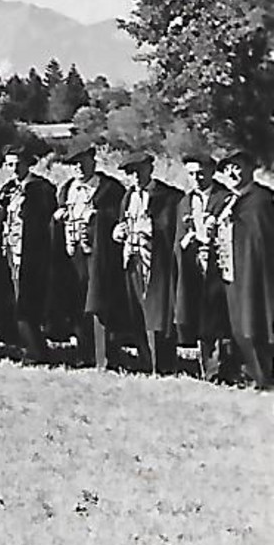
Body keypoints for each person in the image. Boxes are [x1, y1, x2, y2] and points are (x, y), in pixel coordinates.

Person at [54, 140, 125, 368]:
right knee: (76, 301)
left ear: (92, 161)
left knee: (100, 303)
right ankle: (83, 352)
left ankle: (106, 356)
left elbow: (118, 217)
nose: (79, 169)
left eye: (83, 163)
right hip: (72, 254)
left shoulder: (110, 188)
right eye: (74, 165)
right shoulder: (66, 188)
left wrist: (99, 217)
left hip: (99, 255)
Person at [111, 152, 183, 374]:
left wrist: (153, 230)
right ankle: (145, 361)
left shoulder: (170, 196)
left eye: (137, 171)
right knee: (137, 312)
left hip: (156, 262)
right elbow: (122, 223)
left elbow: (173, 229)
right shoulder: (128, 197)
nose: (134, 177)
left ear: (150, 169)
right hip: (132, 260)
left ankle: (162, 365)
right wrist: (117, 232)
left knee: (158, 313)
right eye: (129, 173)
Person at [213, 151, 274, 389]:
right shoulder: (231, 201)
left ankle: (264, 378)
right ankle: (248, 374)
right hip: (231, 272)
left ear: (250, 168)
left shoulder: (261, 200)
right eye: (228, 169)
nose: (233, 173)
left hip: (255, 274)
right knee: (239, 326)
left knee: (255, 323)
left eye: (238, 167)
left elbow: (261, 240)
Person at [0, 142, 57, 363]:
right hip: (10, 250)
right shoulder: (8, 188)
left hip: (32, 253)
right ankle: (20, 345)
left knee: (28, 302)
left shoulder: (41, 188)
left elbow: (43, 220)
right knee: (12, 299)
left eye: (18, 164)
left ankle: (36, 351)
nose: (14, 169)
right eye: (9, 164)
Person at [174, 154, 235, 381]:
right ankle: (208, 369)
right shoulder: (185, 201)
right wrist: (186, 240)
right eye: (191, 174)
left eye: (201, 173)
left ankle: (224, 369)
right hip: (195, 267)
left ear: (212, 171)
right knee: (200, 315)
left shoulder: (225, 198)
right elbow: (178, 238)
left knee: (221, 317)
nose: (196, 178)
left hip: (220, 268)